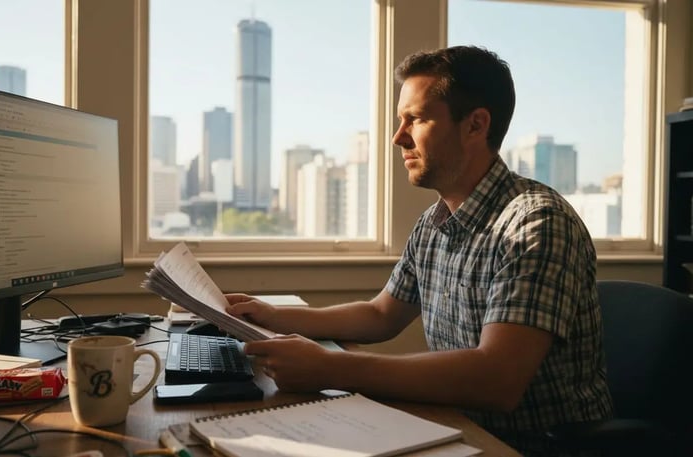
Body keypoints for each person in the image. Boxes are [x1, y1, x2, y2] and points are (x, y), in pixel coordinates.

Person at [225, 45, 613, 456]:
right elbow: (381, 315)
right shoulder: (435, 221)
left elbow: (497, 380)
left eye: (416, 119)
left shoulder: (536, 224)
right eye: (399, 121)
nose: (398, 138)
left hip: (528, 446)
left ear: (476, 125)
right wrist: (274, 316)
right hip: (454, 427)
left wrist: (331, 368)